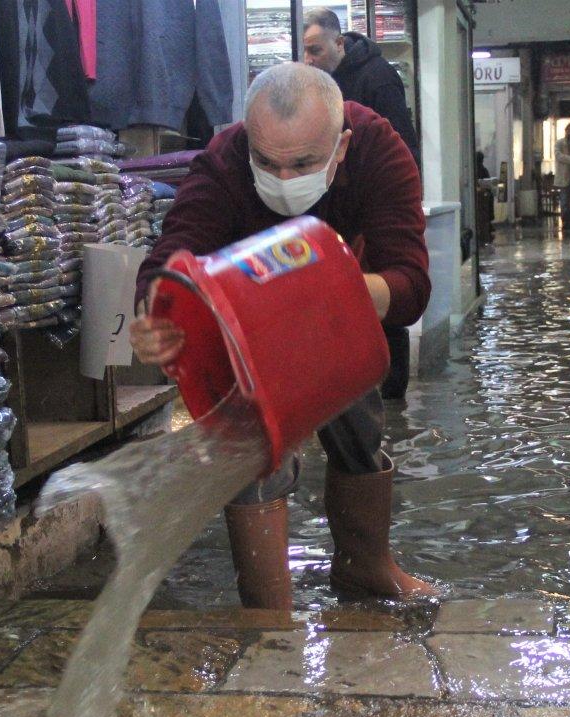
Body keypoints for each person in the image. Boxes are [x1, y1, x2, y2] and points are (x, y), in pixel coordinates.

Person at [129, 62, 436, 609]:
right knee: (247, 441)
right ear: (248, 141)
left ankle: (365, 568)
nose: (286, 179)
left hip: (340, 308)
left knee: (359, 420)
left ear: (341, 147)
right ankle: (266, 601)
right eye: (268, 163)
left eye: (304, 164)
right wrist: (155, 318)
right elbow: (167, 262)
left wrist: (324, 282)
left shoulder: (380, 151)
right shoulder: (223, 159)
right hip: (242, 319)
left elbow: (410, 288)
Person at [302, 6, 419, 399]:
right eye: (305, 52)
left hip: (371, 204)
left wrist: (395, 202)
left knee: (380, 294)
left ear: (339, 43)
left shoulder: (378, 77)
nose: (309, 60)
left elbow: (402, 143)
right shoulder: (319, 87)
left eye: (316, 51)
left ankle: (392, 390)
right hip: (332, 204)